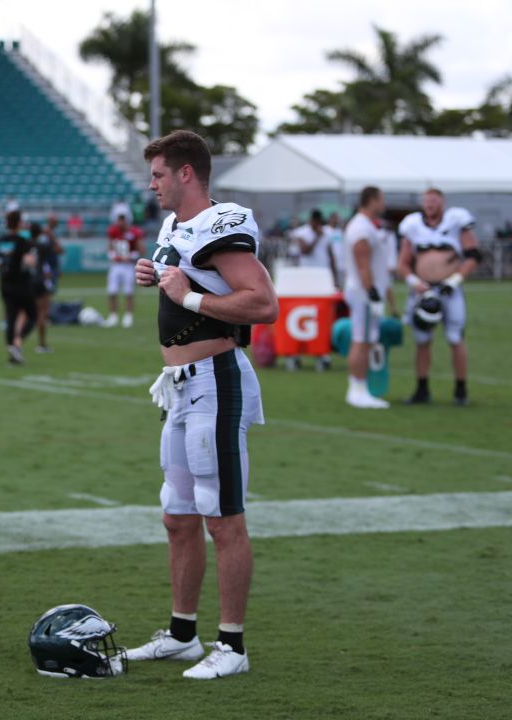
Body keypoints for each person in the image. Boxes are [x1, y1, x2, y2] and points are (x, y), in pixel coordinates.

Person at [130, 129, 277, 680]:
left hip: (216, 381)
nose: (153, 185)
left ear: (187, 173)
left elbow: (262, 302)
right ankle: (182, 634)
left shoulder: (223, 222)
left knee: (223, 519)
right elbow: (182, 276)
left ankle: (232, 646)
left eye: (160, 174)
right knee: (178, 516)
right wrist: (156, 277)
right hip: (179, 387)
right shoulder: (175, 225)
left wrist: (186, 295)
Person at [396, 188, 481, 406]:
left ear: (442, 202)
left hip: (449, 290)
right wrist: (416, 283)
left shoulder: (456, 221)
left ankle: (461, 390)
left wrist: (453, 282)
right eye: (426, 201)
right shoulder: (413, 225)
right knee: (422, 340)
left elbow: (473, 255)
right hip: (423, 291)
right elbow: (403, 263)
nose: (430, 204)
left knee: (455, 338)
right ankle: (422, 389)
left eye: (433, 200)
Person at [342, 186, 392, 409]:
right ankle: (357, 389)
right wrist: (372, 294)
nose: (384, 203)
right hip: (363, 293)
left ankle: (360, 388)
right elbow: (363, 265)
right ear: (373, 200)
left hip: (365, 291)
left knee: (366, 339)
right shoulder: (361, 227)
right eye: (382, 199)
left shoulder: (364, 225)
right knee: (361, 340)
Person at [0, 210, 38, 365]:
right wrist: (33, 261)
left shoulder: (2, 240)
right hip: (21, 283)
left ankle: (12, 352)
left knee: (11, 317)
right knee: (33, 315)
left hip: (5, 283)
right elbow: (28, 261)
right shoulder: (22, 241)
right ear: (19, 223)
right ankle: (18, 342)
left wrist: (1, 265)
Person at [286, 209, 338, 371]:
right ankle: (299, 352)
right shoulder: (301, 233)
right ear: (312, 221)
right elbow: (305, 250)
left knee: (323, 318)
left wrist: (335, 277)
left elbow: (331, 255)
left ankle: (322, 352)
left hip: (323, 281)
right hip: (306, 282)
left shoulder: (327, 233)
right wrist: (317, 236)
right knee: (305, 316)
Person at [31, 219, 64, 353]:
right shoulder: (43, 245)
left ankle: (16, 342)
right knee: (42, 313)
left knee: (24, 313)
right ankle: (41, 344)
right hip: (41, 279)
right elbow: (59, 250)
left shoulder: (26, 244)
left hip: (28, 280)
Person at [105, 214, 143, 327]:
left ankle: (128, 316)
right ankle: (113, 316)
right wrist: (112, 255)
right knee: (112, 291)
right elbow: (110, 247)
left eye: (121, 221)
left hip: (128, 266)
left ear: (125, 221)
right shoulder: (113, 231)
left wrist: (131, 256)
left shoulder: (134, 232)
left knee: (128, 292)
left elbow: (141, 250)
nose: (119, 224)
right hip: (116, 266)